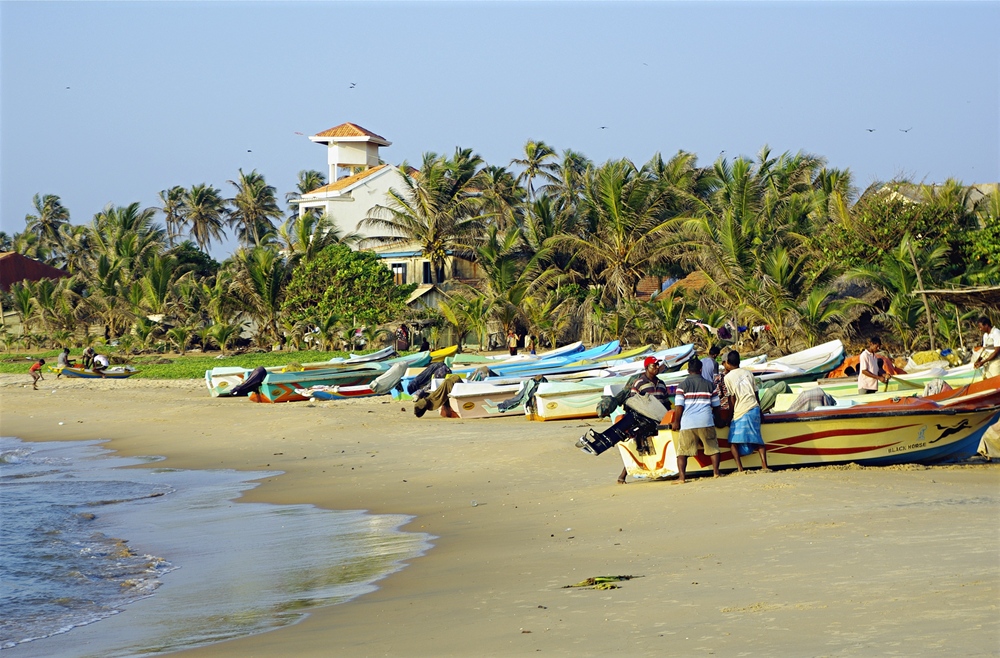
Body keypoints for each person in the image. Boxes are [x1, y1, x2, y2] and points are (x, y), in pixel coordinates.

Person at [671, 358, 722, 482]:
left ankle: (682, 477)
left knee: (683, 452)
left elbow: (679, 406)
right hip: (706, 421)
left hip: (688, 422)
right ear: (701, 369)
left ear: (688, 370)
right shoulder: (710, 385)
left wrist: (676, 422)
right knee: (713, 448)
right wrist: (718, 419)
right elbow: (716, 406)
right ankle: (716, 473)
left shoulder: (682, 386)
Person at [723, 350, 769, 472]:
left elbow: (731, 397)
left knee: (732, 441)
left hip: (740, 411)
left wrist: (729, 416)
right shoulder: (749, 373)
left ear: (727, 363)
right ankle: (764, 465)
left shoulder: (728, 377)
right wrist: (760, 412)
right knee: (758, 438)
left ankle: (740, 468)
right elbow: (756, 393)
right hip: (754, 408)